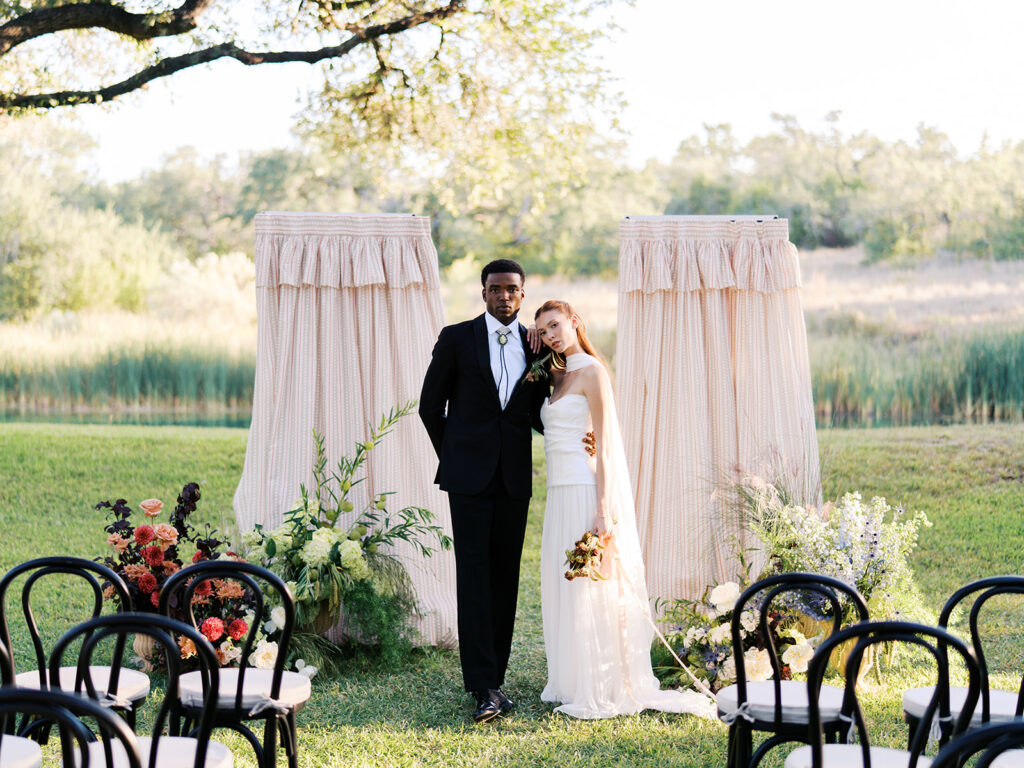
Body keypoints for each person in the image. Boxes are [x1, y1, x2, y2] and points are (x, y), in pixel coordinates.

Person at [533, 298, 715, 720]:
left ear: (575, 321)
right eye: (543, 331)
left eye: (556, 325)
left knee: (589, 584)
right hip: (558, 493)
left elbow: (607, 448)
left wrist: (601, 510)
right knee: (564, 584)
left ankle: (600, 682)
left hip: (584, 488)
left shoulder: (593, 372)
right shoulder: (554, 375)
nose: (551, 336)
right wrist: (535, 350)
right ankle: (571, 677)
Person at [419, 259, 548, 724]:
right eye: (495, 289)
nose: (504, 296)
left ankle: (498, 675)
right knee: (474, 576)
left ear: (522, 294)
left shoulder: (538, 347)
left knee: (505, 577)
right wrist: (456, 456)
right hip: (468, 480)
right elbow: (430, 406)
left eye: (512, 289)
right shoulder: (456, 338)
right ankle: (482, 686)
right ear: (484, 293)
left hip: (514, 477)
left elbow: (535, 413)